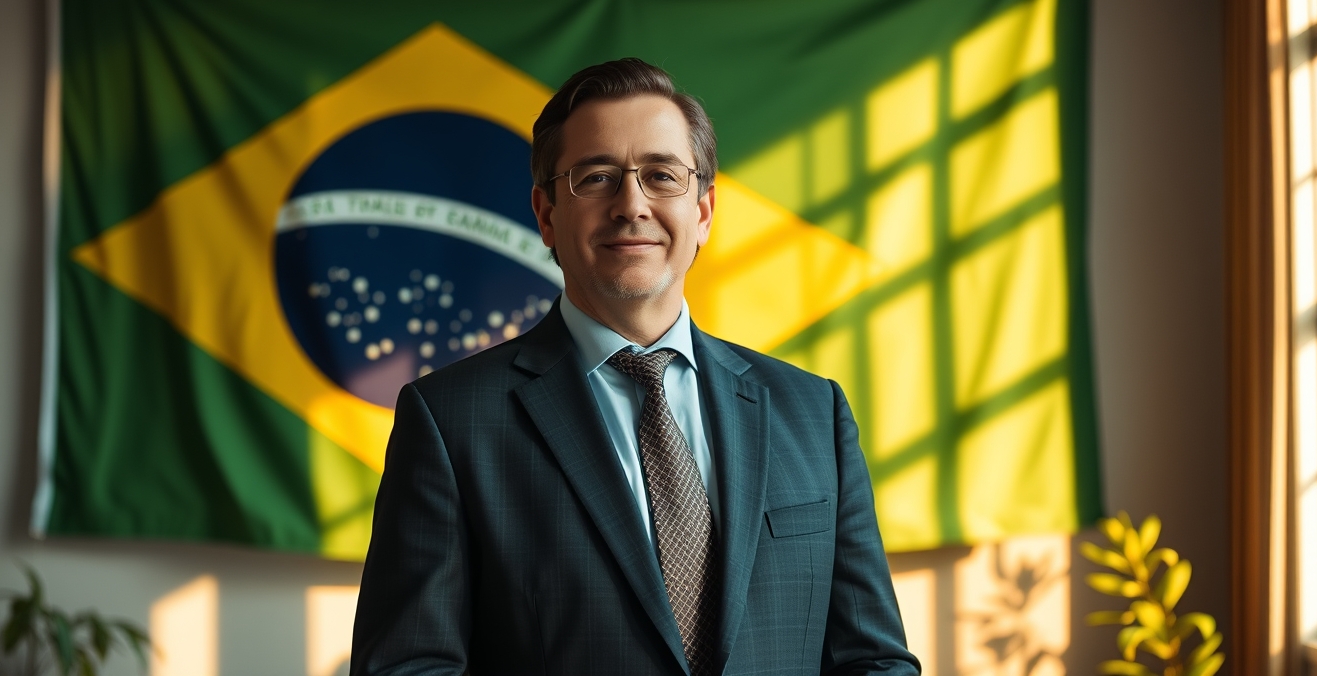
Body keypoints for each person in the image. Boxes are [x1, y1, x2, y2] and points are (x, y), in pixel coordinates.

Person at [350, 58, 921, 676]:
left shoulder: (813, 413)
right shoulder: (452, 421)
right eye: (596, 178)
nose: (632, 205)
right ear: (546, 215)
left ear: (702, 211)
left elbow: (873, 661)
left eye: (661, 176)